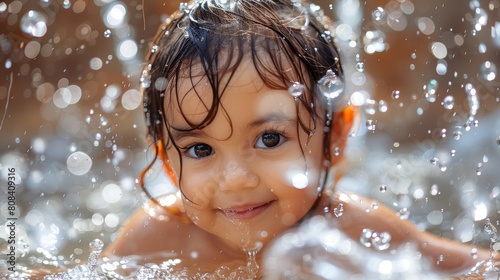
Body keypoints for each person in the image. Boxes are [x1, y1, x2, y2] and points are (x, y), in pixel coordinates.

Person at [102, 0, 496, 277]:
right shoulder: (155, 239)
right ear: (169, 164)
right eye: (200, 149)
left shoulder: (353, 231)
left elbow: (478, 269)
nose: (236, 179)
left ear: (336, 137)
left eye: (270, 139)